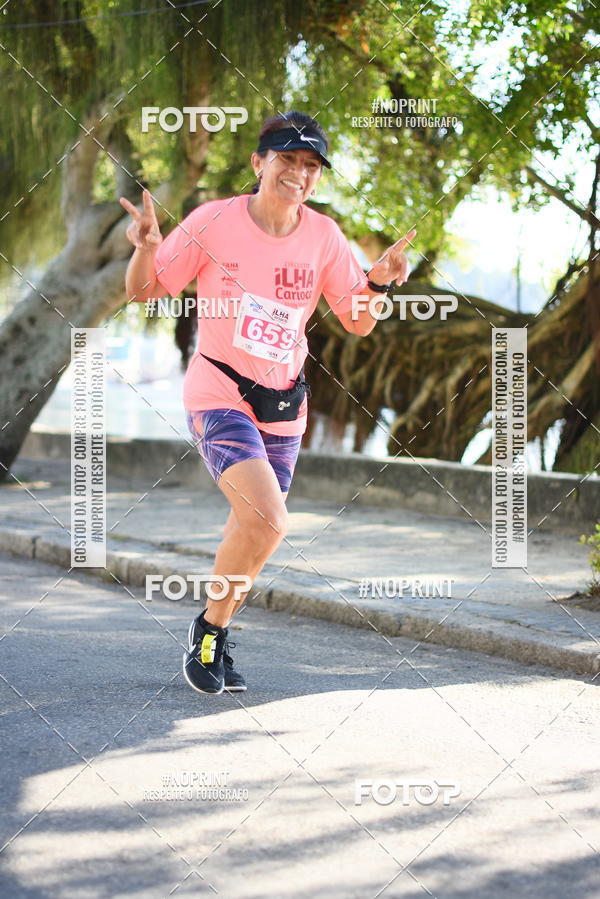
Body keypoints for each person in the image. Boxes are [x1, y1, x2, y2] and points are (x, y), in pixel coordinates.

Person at [120, 110, 415, 696]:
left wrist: (378, 283)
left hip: (284, 404)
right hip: (219, 390)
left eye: (311, 165)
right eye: (287, 159)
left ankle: (212, 631)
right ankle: (210, 631)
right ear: (259, 163)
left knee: (252, 529)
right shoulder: (213, 221)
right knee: (269, 520)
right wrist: (147, 249)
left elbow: (357, 321)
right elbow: (145, 291)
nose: (298, 172)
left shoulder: (325, 236)